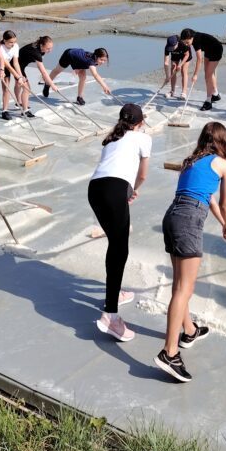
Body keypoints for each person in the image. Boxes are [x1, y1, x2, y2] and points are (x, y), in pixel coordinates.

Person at [155, 122, 226, 382]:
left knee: (180, 284)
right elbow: (224, 201)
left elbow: (208, 198)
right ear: (224, 142)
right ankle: (169, 353)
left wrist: (223, 225)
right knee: (184, 288)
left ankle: (189, 330)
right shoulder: (224, 165)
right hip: (188, 220)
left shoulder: (191, 161)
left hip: (173, 215)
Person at [88, 103, 152, 342]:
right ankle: (111, 315)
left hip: (95, 189)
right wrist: (134, 190)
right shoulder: (142, 137)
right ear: (140, 122)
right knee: (119, 248)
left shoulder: (111, 138)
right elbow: (143, 174)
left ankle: (114, 295)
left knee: (115, 245)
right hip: (115, 190)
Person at [47, 47, 112, 105]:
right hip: (68, 54)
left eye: (104, 60)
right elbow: (95, 75)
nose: (103, 62)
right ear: (96, 56)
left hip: (79, 59)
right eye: (101, 59)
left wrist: (78, 69)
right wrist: (105, 86)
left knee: (83, 77)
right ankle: (47, 83)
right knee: (58, 70)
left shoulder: (93, 59)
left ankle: (79, 97)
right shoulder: (91, 61)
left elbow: (83, 61)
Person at [180, 28, 224, 111]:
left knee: (208, 76)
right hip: (208, 49)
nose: (186, 44)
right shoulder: (193, 39)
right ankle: (215, 94)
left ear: (191, 37)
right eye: (184, 42)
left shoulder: (196, 41)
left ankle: (208, 101)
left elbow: (199, 59)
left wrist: (195, 75)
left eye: (187, 42)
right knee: (208, 73)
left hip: (216, 49)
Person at [16, 35, 56, 118]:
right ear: (41, 45)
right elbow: (44, 72)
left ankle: (19, 102)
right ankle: (25, 111)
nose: (50, 50)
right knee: (27, 89)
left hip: (21, 65)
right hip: (16, 66)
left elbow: (41, 68)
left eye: (51, 48)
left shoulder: (41, 49)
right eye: (48, 48)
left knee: (19, 84)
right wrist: (52, 85)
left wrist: (45, 78)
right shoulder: (36, 52)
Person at [0, 30, 25, 121]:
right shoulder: (0, 48)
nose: (13, 44)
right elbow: (7, 66)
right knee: (2, 88)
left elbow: (15, 63)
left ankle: (5, 111)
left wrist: (20, 76)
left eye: (14, 41)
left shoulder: (15, 46)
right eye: (10, 42)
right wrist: (17, 76)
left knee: (6, 88)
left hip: (7, 65)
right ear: (4, 40)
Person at [163, 34, 191, 99]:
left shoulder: (183, 44)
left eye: (173, 47)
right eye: (170, 47)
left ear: (177, 43)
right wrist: (167, 77)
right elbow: (166, 62)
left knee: (183, 70)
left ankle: (184, 92)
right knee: (173, 69)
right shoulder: (167, 47)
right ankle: (172, 91)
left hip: (185, 55)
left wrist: (180, 65)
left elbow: (187, 55)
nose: (171, 49)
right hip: (175, 55)